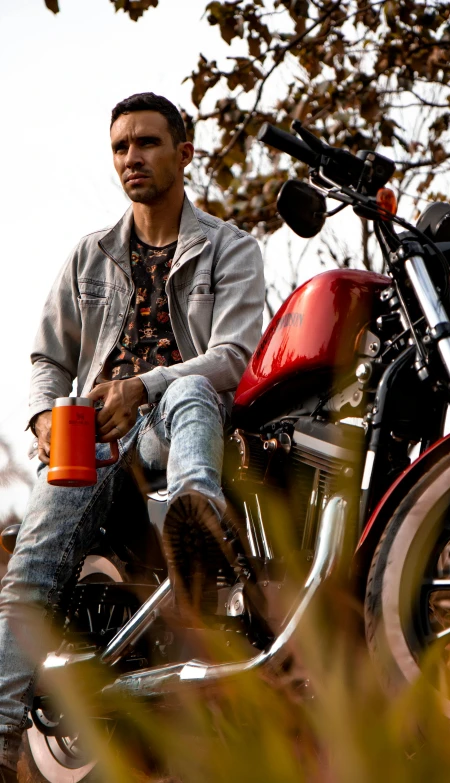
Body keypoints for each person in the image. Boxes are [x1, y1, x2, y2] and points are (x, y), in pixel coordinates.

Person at [0, 92, 264, 780]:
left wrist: (141, 385)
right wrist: (43, 421)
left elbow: (232, 356)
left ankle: (195, 517)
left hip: (177, 428)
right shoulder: (88, 256)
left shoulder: (231, 249)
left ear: (185, 151)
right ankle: (0, 731)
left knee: (188, 385)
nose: (132, 158)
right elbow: (47, 359)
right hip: (92, 438)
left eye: (147, 143)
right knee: (31, 566)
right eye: (120, 147)